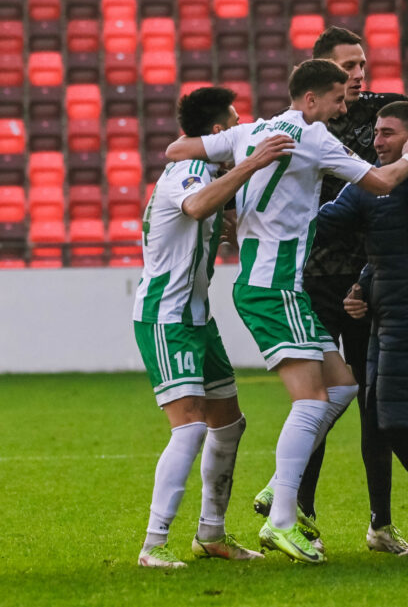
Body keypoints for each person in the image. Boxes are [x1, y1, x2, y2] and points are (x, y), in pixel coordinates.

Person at [166, 59, 408, 564]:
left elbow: (178, 148)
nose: (342, 106)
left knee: (344, 384)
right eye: (336, 98)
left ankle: (279, 486)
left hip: (276, 286)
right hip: (273, 286)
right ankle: (282, 519)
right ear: (310, 100)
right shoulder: (311, 136)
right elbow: (380, 182)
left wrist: (237, 196)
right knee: (311, 402)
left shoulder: (252, 130)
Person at [133, 87, 290, 568]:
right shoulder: (188, 171)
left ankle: (211, 535)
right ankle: (153, 545)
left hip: (197, 317)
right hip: (166, 317)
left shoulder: (204, 172)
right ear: (220, 133)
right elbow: (196, 208)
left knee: (229, 424)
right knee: (190, 428)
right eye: (236, 124)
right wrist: (253, 163)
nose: (243, 133)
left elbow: (208, 217)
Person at [292, 26, 408, 553]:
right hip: (317, 279)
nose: (358, 75)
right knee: (315, 398)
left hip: (368, 279)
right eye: (347, 67)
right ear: (322, 72)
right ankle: (299, 515)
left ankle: (380, 522)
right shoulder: (300, 124)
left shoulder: (382, 113)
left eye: (362, 65)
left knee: (375, 402)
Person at [315, 101, 408, 554]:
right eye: (376, 132)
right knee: (393, 421)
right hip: (389, 320)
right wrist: (364, 286)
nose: (376, 140)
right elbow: (325, 227)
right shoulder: (369, 185)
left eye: (387, 133)